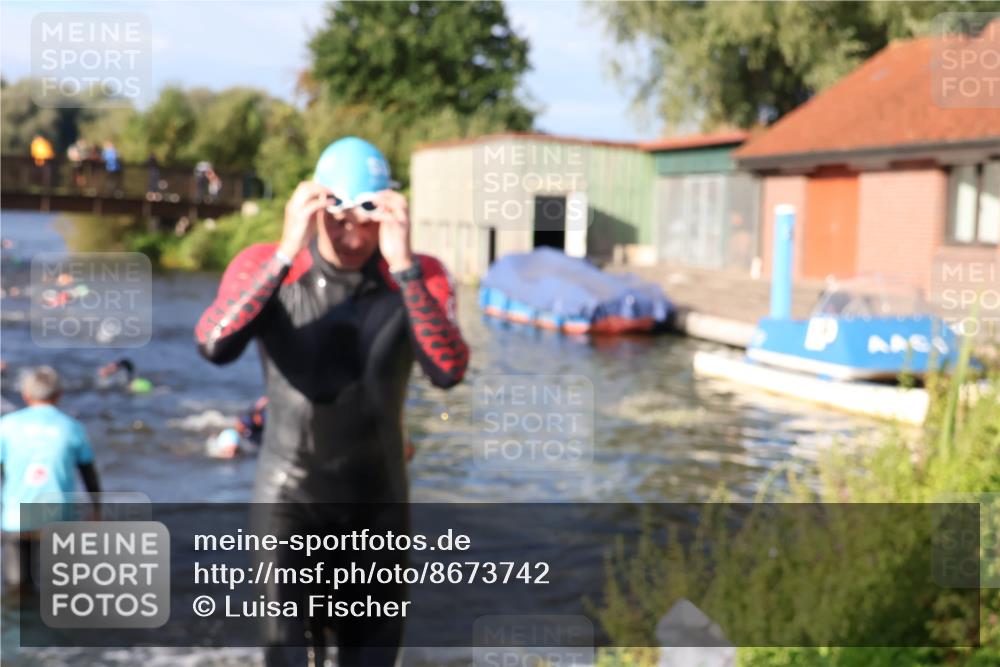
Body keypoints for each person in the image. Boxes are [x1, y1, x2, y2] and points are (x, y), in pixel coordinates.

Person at [195, 136, 469, 666]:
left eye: (367, 219)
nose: (353, 235)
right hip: (289, 503)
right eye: (338, 218)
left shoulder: (420, 273)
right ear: (316, 208)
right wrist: (284, 251)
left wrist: (405, 266)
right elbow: (214, 344)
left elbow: (448, 370)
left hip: (379, 509)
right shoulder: (267, 264)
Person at [0, 367, 101, 593]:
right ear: (59, 395)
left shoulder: (6, 426)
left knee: (17, 589)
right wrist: (96, 510)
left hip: (15, 519)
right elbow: (89, 474)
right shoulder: (72, 428)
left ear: (26, 395)